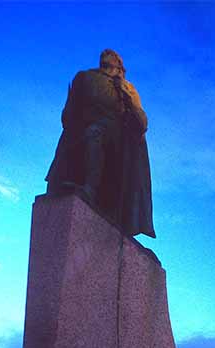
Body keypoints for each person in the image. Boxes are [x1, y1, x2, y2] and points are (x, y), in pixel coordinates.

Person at [46, 49, 155, 238]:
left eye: (114, 60)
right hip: (81, 131)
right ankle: (73, 185)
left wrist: (125, 92)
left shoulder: (127, 88)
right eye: (106, 60)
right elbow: (68, 112)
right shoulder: (85, 77)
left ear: (120, 67)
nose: (108, 60)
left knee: (95, 132)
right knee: (88, 133)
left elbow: (142, 122)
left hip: (117, 138)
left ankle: (91, 188)